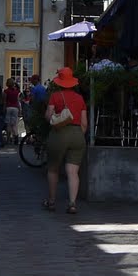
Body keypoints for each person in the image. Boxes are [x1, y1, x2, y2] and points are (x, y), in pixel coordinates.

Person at [42, 67, 87, 213]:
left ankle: (52, 201)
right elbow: (84, 123)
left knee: (53, 169)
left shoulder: (55, 96)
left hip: (59, 133)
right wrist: (79, 134)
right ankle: (72, 203)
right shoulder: (80, 98)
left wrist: (56, 118)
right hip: (77, 134)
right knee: (73, 172)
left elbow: (48, 117)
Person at [4, 78, 21, 143]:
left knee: (8, 124)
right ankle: (16, 137)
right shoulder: (16, 92)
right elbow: (17, 101)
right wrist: (19, 109)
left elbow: (5, 100)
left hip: (8, 107)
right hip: (15, 108)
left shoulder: (6, 91)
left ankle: (8, 139)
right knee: (14, 124)